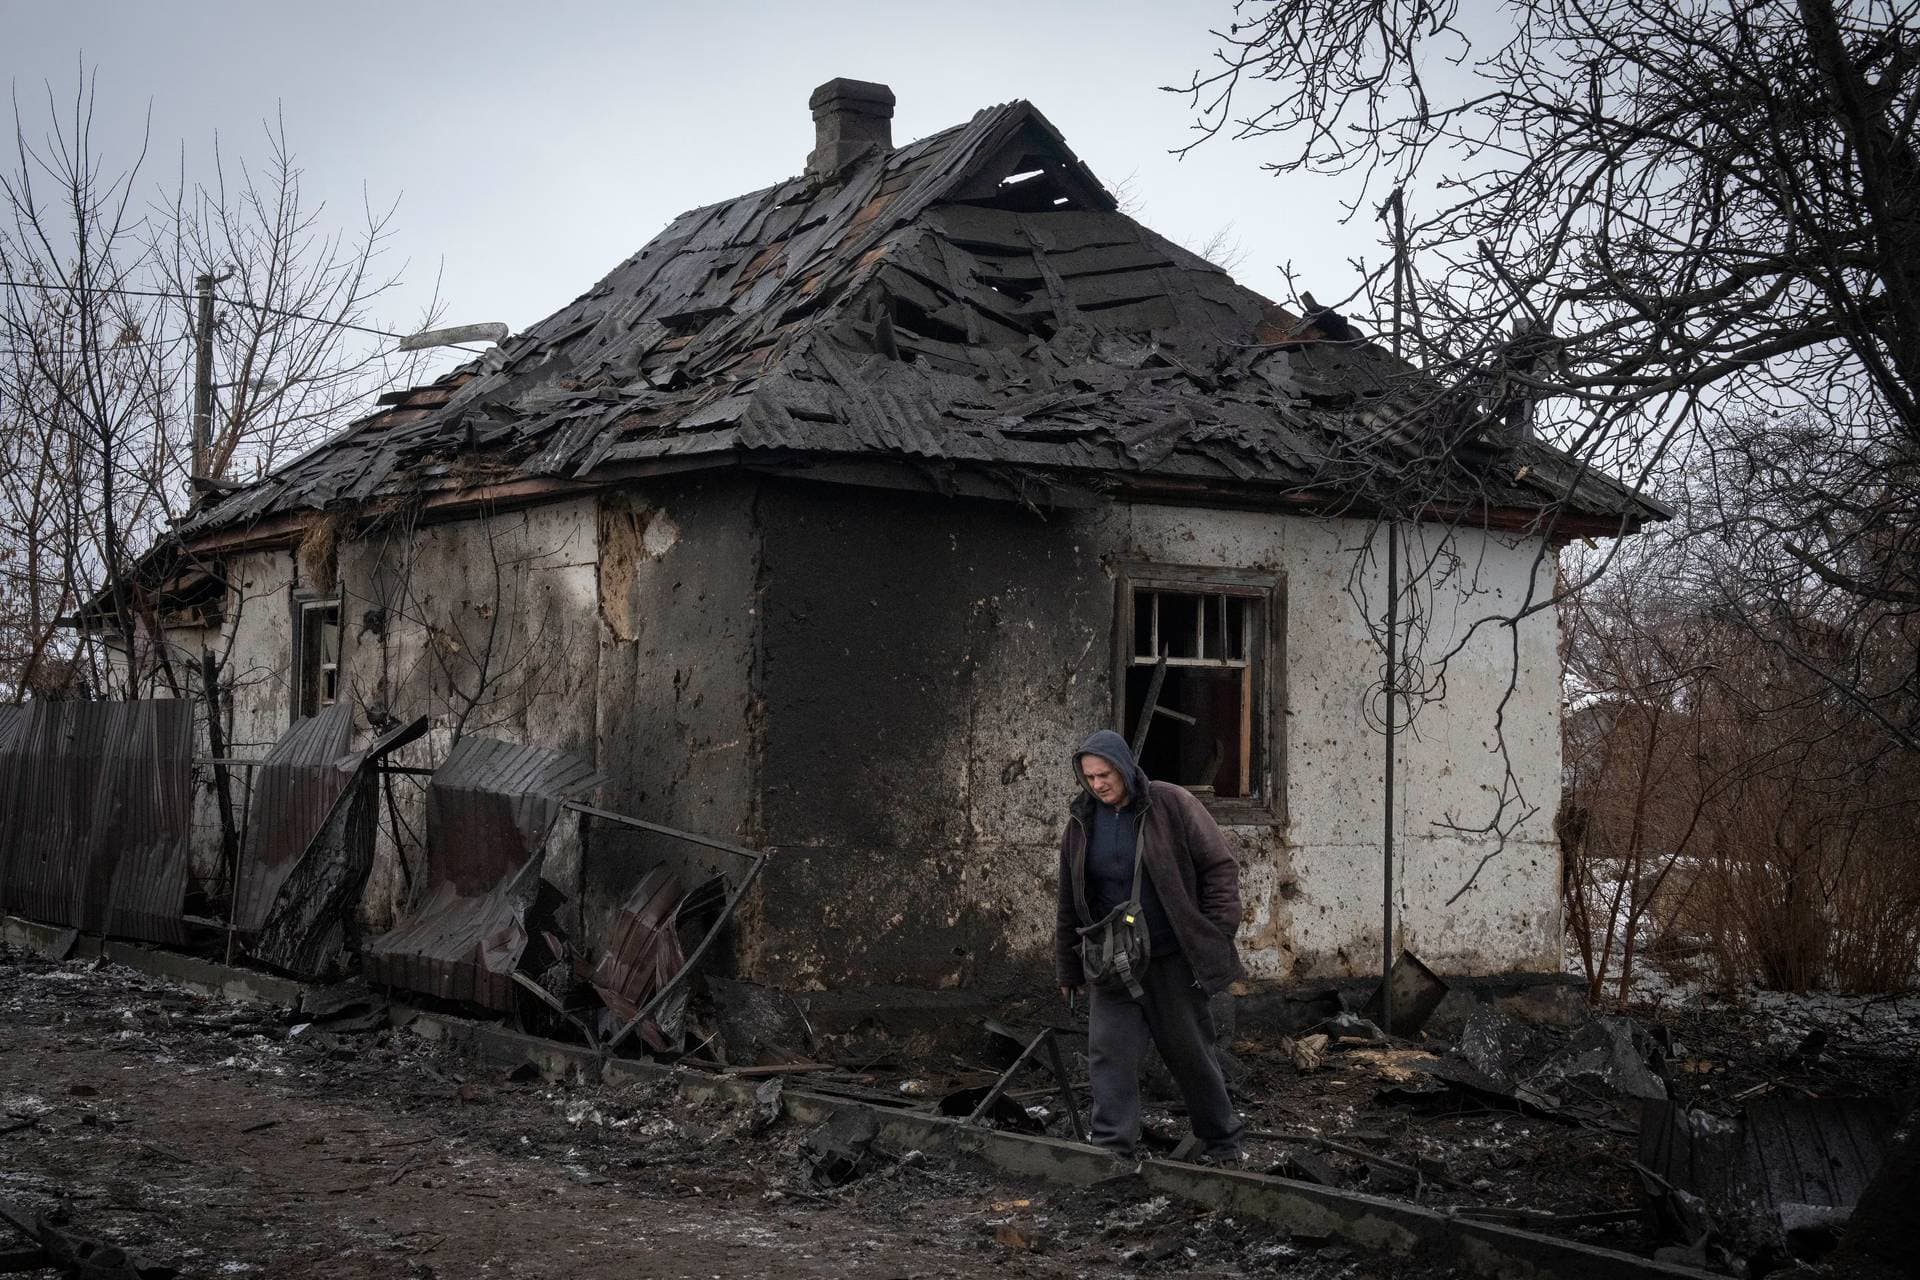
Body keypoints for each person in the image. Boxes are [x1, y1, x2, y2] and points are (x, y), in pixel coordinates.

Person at [1056, 728, 1246, 1162]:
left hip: (1171, 960)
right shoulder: (1081, 821)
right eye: (1089, 777)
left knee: (1192, 1056)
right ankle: (1111, 1151)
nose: (1098, 784)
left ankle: (1222, 1144)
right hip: (1111, 963)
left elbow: (1219, 868)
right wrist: (1067, 969)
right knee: (1109, 1058)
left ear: (1124, 767)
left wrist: (1214, 935)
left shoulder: (1172, 804)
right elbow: (1069, 898)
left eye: (1105, 774)